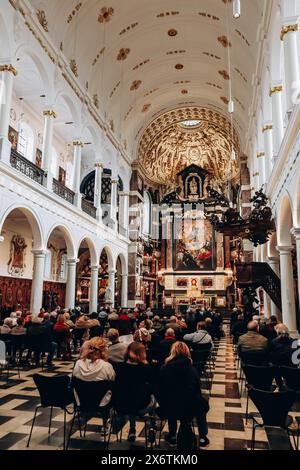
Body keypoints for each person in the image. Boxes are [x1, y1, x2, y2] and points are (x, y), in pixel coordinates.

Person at [158, 342, 209, 448]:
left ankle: (172, 435)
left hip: (169, 407)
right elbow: (197, 391)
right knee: (201, 405)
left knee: (171, 399)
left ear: (172, 352)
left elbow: (160, 390)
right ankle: (203, 436)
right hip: (188, 407)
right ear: (187, 353)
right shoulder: (192, 370)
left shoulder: (164, 368)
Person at [114, 342, 153, 442]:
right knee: (153, 395)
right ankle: (152, 424)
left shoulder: (120, 367)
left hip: (123, 404)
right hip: (143, 404)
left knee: (131, 398)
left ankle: (132, 429)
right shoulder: (146, 368)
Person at [73, 336, 115, 407]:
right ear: (104, 350)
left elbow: (74, 379)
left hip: (81, 402)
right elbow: (112, 381)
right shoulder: (107, 366)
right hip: (101, 403)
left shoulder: (78, 363)